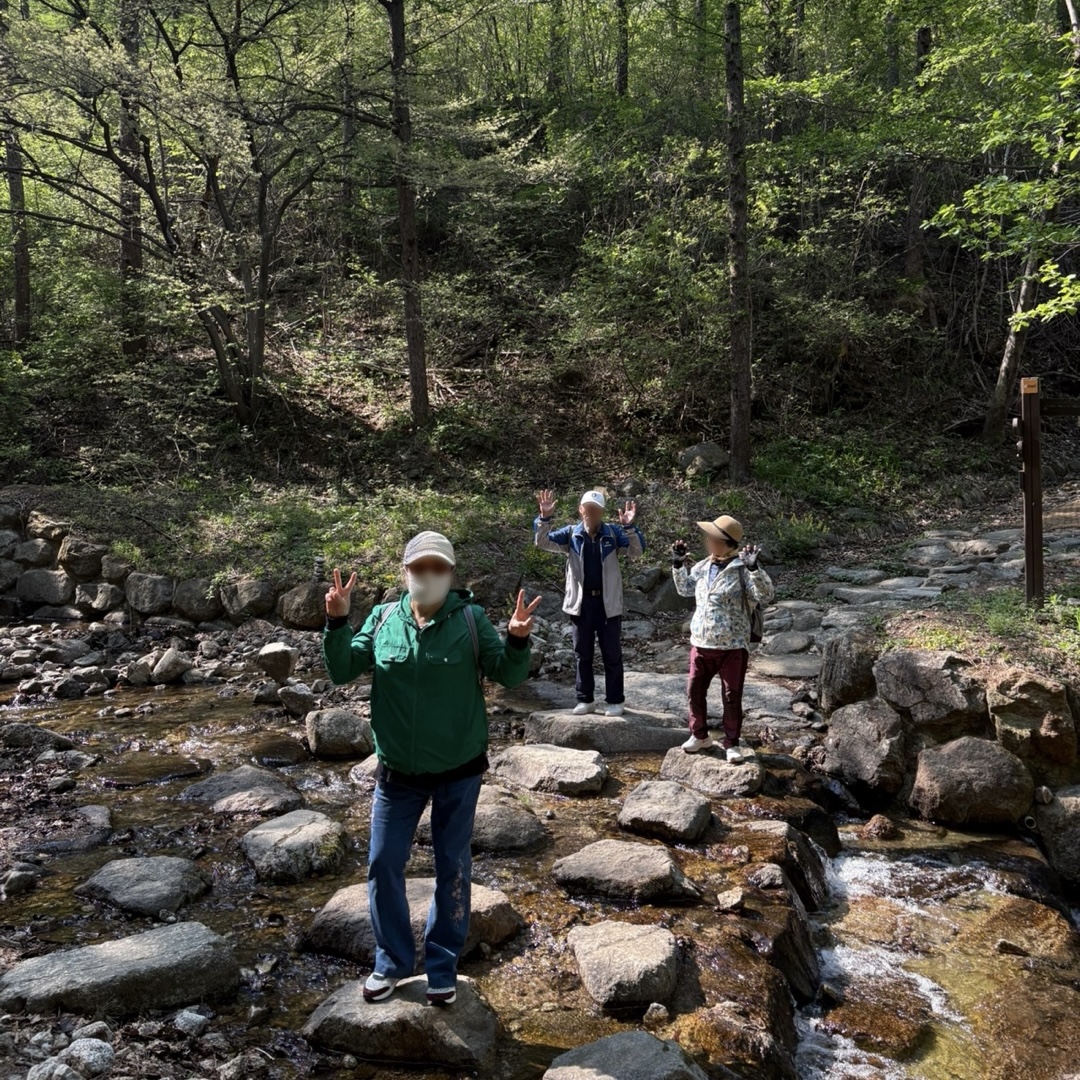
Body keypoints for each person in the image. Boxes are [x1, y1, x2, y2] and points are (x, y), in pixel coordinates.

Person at [322, 530, 540, 1006]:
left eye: (438, 567)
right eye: (420, 567)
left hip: (458, 771)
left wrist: (517, 639)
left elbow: (507, 674)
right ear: (406, 572)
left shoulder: (470, 620)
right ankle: (391, 962)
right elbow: (342, 669)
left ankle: (442, 967)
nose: (429, 575)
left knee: (452, 867)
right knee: (383, 863)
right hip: (397, 772)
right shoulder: (383, 618)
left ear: (451, 573)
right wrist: (337, 622)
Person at [671, 514, 774, 761]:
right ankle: (699, 735)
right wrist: (677, 564)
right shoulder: (703, 566)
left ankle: (731, 743)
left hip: (733, 646)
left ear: (725, 542)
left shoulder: (742, 568)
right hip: (701, 642)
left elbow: (766, 595)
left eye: (712, 537)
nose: (707, 540)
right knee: (694, 691)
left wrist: (754, 569)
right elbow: (684, 589)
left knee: (731, 696)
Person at [534, 487, 644, 716]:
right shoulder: (571, 534)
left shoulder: (612, 533)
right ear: (580, 509)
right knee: (582, 654)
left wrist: (630, 527)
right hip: (581, 604)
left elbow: (637, 551)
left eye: (596, 509)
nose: (591, 513)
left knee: (612, 654)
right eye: (588, 508)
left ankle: (615, 701)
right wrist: (544, 518)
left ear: (602, 512)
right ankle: (585, 700)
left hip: (607, 604)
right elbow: (542, 542)